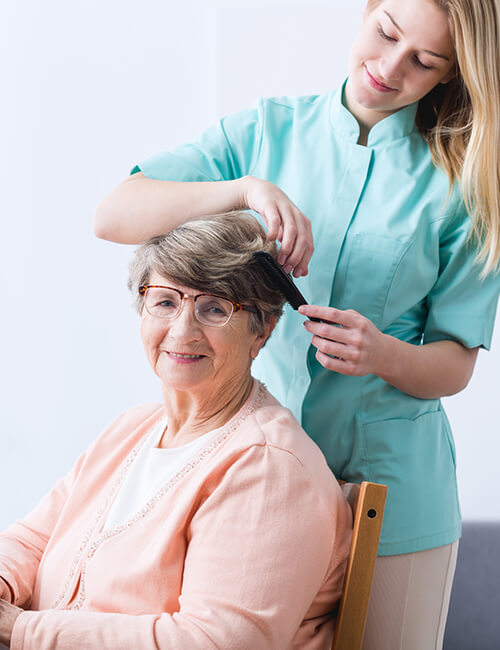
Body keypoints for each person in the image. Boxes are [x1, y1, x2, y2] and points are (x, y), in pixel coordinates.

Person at [93, 1, 500, 647]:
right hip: (251, 482)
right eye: (386, 32)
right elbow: (114, 215)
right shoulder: (264, 131)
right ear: (368, 11)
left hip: (395, 493)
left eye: (425, 60)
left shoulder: (466, 183)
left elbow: (455, 364)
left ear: (453, 74)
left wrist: (383, 354)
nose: (389, 67)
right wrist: (244, 190)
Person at [0, 213, 352, 649]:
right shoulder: (133, 429)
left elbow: (214, 642)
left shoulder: (268, 467)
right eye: (166, 301)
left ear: (261, 331)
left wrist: (20, 630)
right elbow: (36, 538)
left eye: (215, 308)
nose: (182, 330)